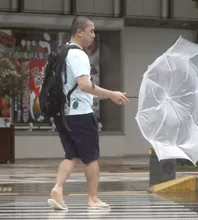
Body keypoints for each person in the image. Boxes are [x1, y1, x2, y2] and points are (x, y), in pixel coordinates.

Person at [48, 15, 129, 210]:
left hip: (64, 113)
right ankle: (92, 199)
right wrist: (111, 93)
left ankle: (57, 189)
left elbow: (76, 89)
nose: (93, 35)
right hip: (80, 116)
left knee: (71, 155)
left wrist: (109, 96)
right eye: (91, 31)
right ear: (79, 31)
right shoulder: (78, 55)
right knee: (91, 157)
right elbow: (84, 85)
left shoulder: (63, 52)